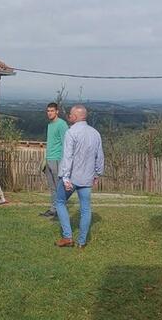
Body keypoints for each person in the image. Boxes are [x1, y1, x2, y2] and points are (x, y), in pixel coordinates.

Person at [55, 105, 104, 249]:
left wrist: (65, 177)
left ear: (75, 116)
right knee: (86, 209)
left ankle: (67, 237)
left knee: (59, 201)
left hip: (71, 177)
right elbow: (99, 156)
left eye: (70, 114)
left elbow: (67, 157)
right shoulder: (96, 133)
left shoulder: (71, 132)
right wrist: (97, 174)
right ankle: (81, 242)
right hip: (87, 178)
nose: (69, 117)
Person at [40, 102, 69, 218]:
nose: (49, 113)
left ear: (57, 111)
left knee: (59, 187)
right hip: (49, 159)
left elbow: (66, 144)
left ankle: (61, 210)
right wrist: (45, 159)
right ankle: (53, 209)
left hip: (58, 160)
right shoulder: (50, 125)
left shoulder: (62, 124)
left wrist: (63, 162)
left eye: (52, 111)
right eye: (48, 111)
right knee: (52, 187)